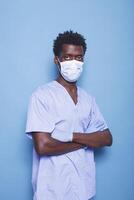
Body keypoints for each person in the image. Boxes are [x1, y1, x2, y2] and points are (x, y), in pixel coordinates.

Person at [25, 30, 113, 200]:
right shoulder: (42, 96)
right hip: (51, 190)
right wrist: (86, 142)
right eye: (67, 57)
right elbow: (43, 147)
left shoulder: (88, 99)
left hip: (83, 190)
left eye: (78, 58)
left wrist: (68, 136)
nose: (74, 62)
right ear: (56, 60)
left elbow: (107, 138)